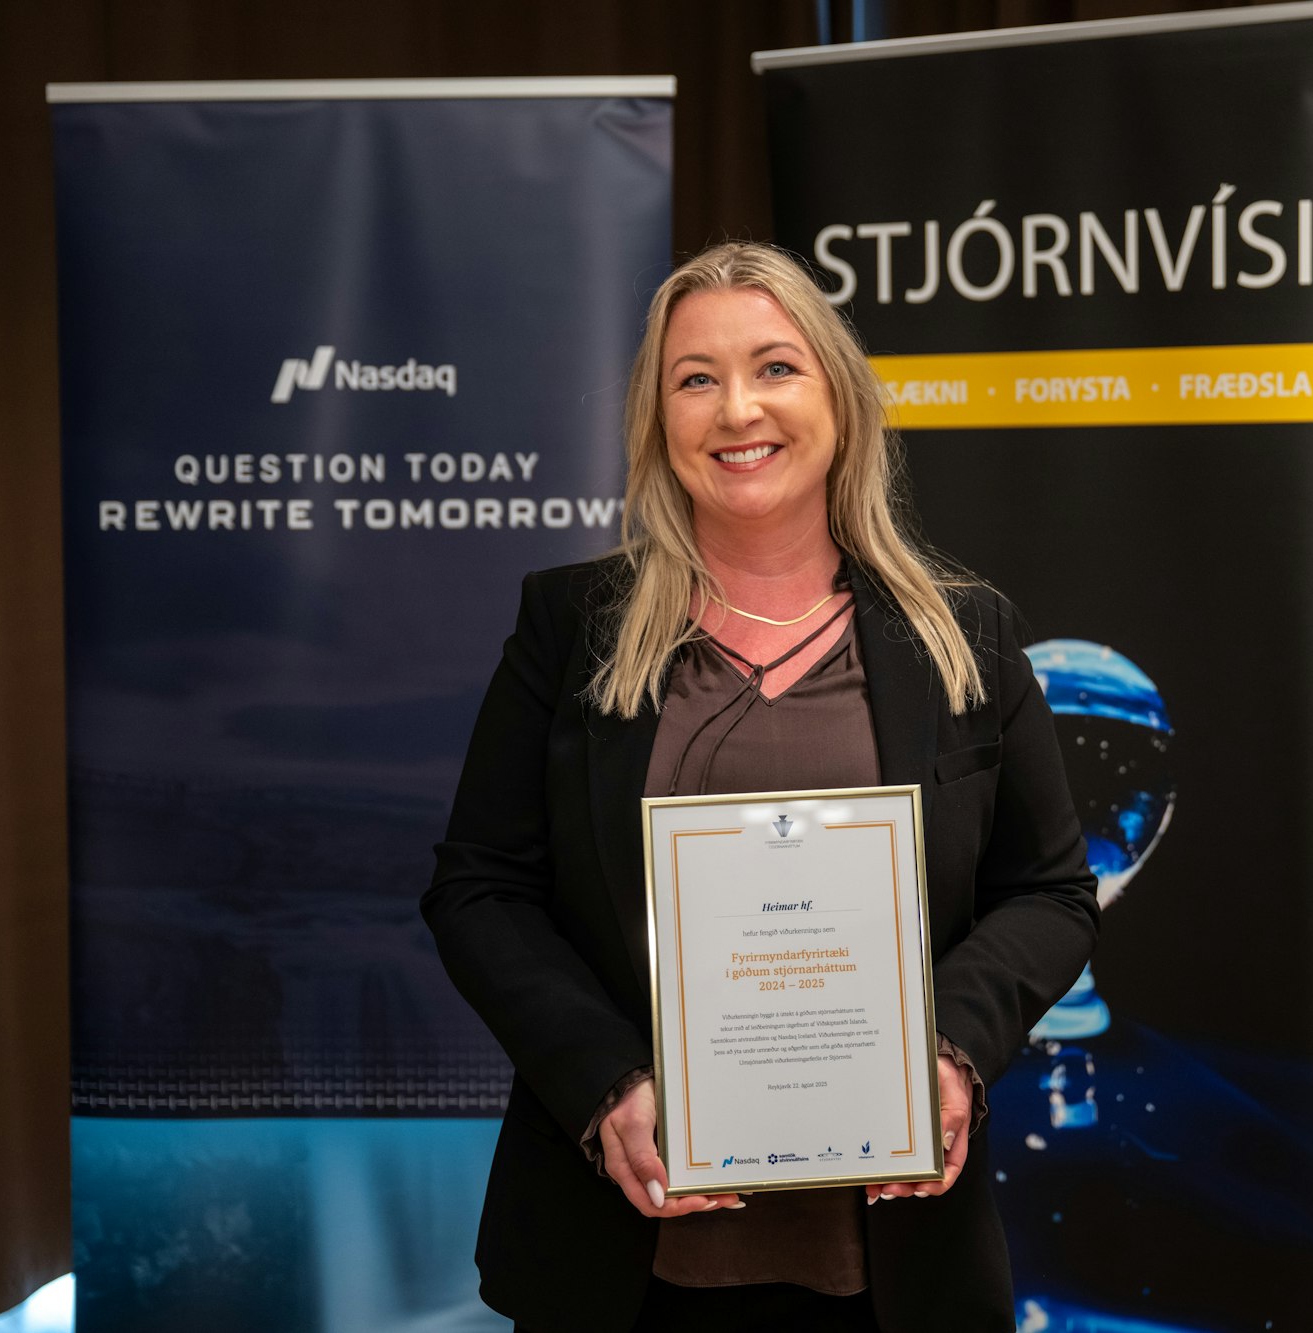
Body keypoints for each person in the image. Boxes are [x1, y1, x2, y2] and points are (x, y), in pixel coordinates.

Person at [423, 242, 1098, 1332]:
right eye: (695, 378)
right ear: (658, 420)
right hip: (617, 1255)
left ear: (839, 396)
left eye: (776, 367)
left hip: (896, 1261)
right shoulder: (570, 628)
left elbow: (1049, 890)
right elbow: (480, 888)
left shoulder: (963, 634)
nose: (738, 410)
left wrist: (949, 1054)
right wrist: (604, 1084)